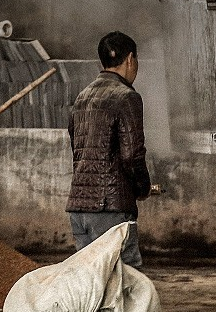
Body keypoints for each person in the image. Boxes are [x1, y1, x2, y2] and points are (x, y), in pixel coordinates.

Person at [65, 31, 151, 269]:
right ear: (131, 59)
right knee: (125, 282)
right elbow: (132, 154)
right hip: (110, 208)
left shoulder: (82, 97)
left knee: (90, 284)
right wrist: (142, 187)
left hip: (79, 208)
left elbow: (77, 151)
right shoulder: (126, 97)